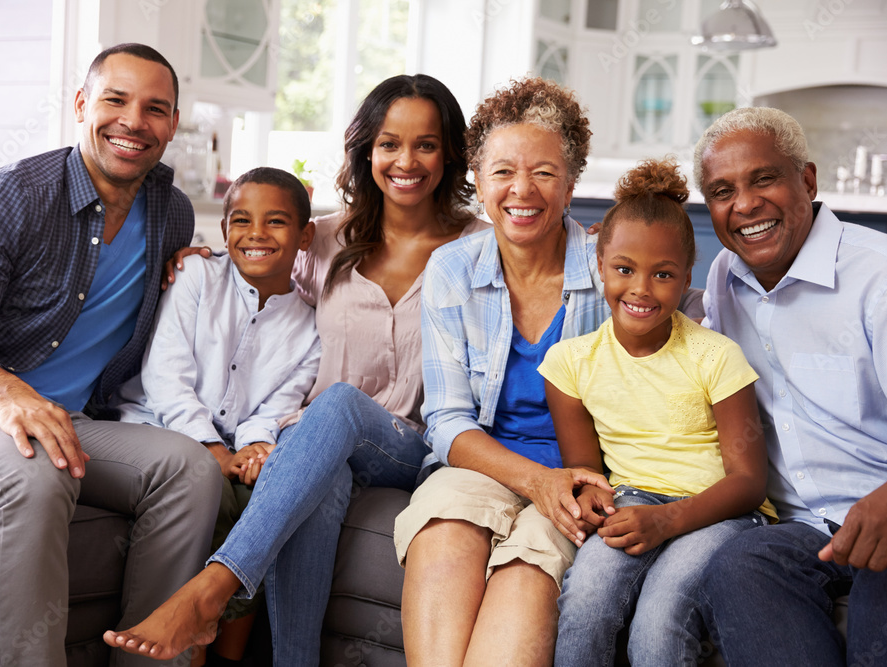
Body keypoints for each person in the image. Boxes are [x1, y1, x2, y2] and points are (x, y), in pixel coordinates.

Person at [103, 73, 489, 664]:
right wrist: (197, 257)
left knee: (335, 404)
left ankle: (215, 587)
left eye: (426, 144)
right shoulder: (324, 239)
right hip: (319, 445)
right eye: (389, 143)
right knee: (321, 468)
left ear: (449, 153)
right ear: (367, 151)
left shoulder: (481, 250)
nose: (405, 160)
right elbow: (256, 268)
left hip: (416, 448)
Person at [0, 43, 224, 666]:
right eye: (115, 100)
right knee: (36, 468)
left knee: (189, 469)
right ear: (82, 104)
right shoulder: (7, 198)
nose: (133, 122)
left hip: (76, 417)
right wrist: (14, 397)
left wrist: (193, 275)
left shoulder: (169, 211)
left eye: (155, 108)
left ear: (172, 124)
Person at [393, 77, 617, 666]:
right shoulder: (452, 269)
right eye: (502, 172)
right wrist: (532, 481)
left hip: (580, 480)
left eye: (544, 173)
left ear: (571, 185)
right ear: (478, 181)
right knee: (442, 528)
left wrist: (558, 486)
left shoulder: (609, 269)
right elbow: (445, 421)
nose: (522, 190)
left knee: (528, 569)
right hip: (479, 465)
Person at [694, 107, 887, 666]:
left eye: (764, 178)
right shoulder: (724, 277)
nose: (745, 204)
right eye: (723, 190)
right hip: (797, 528)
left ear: (808, 180)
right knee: (737, 567)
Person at [538, 157, 776, 666]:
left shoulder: (717, 356)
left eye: (662, 274)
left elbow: (750, 481)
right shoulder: (569, 365)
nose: (641, 289)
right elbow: (588, 474)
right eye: (624, 269)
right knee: (585, 603)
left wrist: (667, 521)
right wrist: (594, 502)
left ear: (687, 276)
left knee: (661, 614)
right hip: (632, 503)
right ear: (598, 265)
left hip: (723, 510)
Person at [113, 166, 321, 663]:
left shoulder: (310, 324)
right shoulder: (196, 276)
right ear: (224, 227)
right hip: (157, 426)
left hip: (230, 444)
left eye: (275, 222)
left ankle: (229, 654)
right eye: (240, 220)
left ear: (305, 235)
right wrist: (212, 449)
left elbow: (277, 403)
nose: (255, 234)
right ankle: (200, 649)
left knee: (266, 497)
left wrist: (253, 447)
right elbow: (166, 374)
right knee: (216, 493)